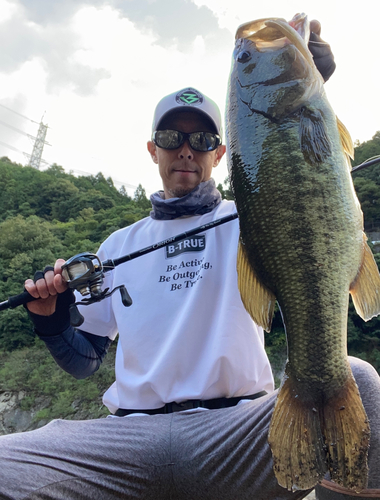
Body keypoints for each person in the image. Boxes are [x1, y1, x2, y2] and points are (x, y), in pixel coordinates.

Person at [0, 22, 379, 500]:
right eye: (171, 136)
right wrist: (53, 325)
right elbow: (86, 361)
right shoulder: (116, 245)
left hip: (236, 433)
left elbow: (305, 179)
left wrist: (311, 79)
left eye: (202, 141)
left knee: (360, 381)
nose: (186, 149)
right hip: (127, 441)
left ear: (222, 153)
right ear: (152, 149)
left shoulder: (254, 216)